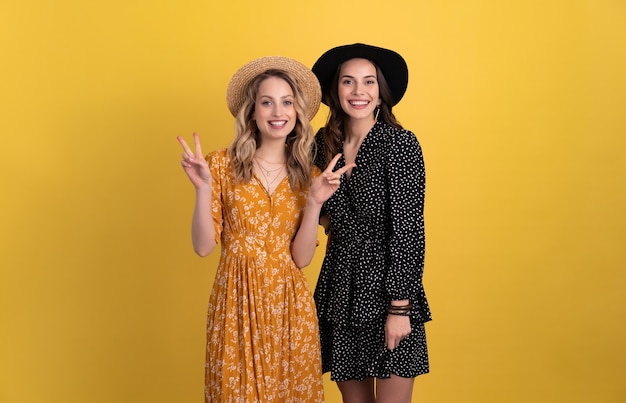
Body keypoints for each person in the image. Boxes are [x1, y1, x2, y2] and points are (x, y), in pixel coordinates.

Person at [177, 56, 352, 402]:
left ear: (298, 112)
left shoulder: (309, 177)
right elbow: (203, 246)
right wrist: (203, 190)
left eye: (287, 102)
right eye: (267, 102)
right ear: (252, 111)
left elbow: (301, 259)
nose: (278, 112)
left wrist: (315, 202)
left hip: (291, 310)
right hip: (236, 306)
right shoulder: (220, 166)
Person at [310, 43, 432, 403]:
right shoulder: (322, 144)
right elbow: (313, 208)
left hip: (388, 290)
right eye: (348, 82)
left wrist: (399, 308)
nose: (358, 91)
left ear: (381, 93)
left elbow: (409, 230)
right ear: (336, 91)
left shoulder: (400, 144)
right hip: (340, 287)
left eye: (368, 82)